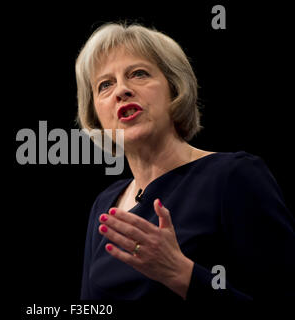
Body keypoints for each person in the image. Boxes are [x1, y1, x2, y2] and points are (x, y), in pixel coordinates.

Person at [76, 22, 294, 301]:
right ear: (95, 114)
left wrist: (181, 274)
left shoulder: (234, 177)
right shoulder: (105, 204)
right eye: (105, 85)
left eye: (138, 74)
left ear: (175, 89)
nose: (121, 90)